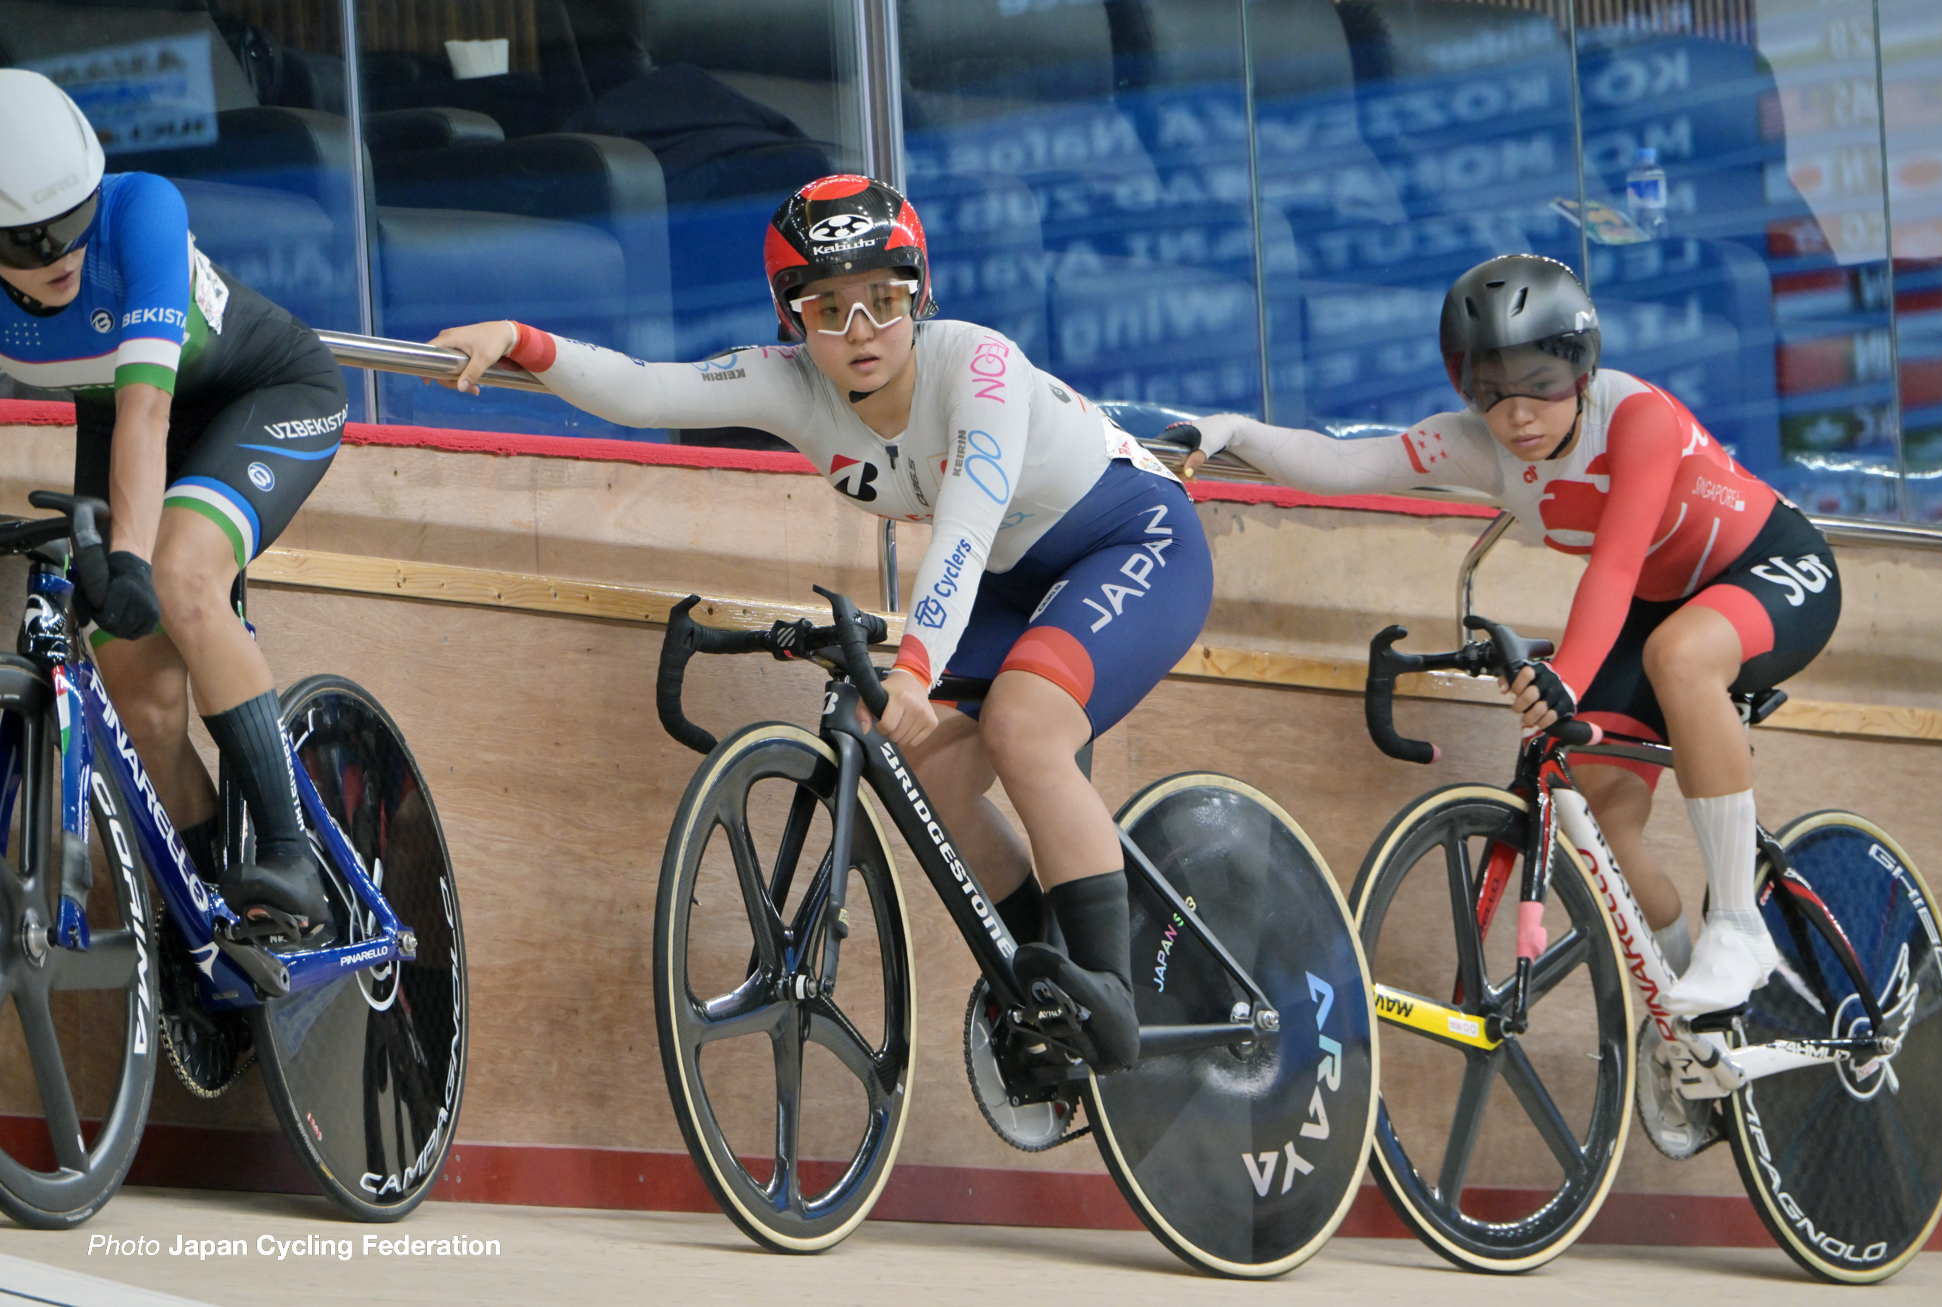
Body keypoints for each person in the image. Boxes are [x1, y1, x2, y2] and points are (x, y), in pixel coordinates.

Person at [432, 174, 1212, 1071]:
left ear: (920, 294)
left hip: (1129, 536)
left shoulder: (978, 366)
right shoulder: (792, 384)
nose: (859, 332)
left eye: (884, 300)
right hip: (1012, 573)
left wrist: (916, 667)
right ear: (790, 317)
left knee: (1024, 724)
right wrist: (520, 339)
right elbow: (648, 391)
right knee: (921, 770)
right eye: (826, 307)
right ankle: (1045, 976)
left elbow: (962, 530)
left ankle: (1108, 991)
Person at [1171, 254, 1839, 1018]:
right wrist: (1233, 431)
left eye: (1541, 386)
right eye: (1490, 390)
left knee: (1680, 656)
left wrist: (1570, 677)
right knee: (1609, 825)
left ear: (1581, 370)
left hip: (1773, 566)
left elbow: (1615, 568)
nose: (1517, 414)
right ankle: (1699, 1026)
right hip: (1661, 606)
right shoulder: (1481, 445)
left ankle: (1739, 928)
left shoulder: (1635, 418)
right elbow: (1343, 462)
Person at [0, 71, 348, 942]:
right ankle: (204, 923)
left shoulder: (141, 209)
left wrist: (128, 555)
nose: (63, 254)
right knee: (140, 701)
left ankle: (290, 855)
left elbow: (148, 411)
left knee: (180, 575)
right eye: (32, 242)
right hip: (117, 420)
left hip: (264, 395)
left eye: (77, 220)